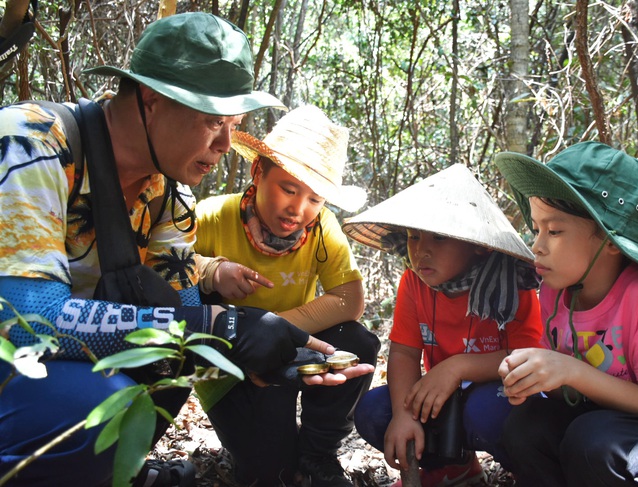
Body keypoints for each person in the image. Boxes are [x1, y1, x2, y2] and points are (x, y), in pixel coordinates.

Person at [0, 13, 372, 487]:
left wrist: (256, 356)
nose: (223, 145)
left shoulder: (170, 198)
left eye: (233, 126)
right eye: (213, 123)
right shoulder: (33, 142)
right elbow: (24, 320)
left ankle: (113, 469)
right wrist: (216, 326)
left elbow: (183, 327)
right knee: (91, 404)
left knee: (169, 361)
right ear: (152, 101)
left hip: (64, 365)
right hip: (20, 361)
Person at [495, 141, 638, 486]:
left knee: (594, 441)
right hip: (613, 426)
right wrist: (536, 376)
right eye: (537, 228)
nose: (538, 246)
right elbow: (571, 390)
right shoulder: (554, 292)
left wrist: (570, 370)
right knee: (526, 426)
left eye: (555, 231)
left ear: (608, 241)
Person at [193, 105, 381, 487]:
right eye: (288, 189)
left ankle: (318, 452)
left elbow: (349, 299)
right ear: (257, 172)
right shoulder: (212, 216)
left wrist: (274, 330)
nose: (299, 209)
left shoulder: (321, 229)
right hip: (230, 364)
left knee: (356, 342)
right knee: (270, 475)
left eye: (315, 199)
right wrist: (211, 272)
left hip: (290, 352)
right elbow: (162, 267)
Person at [341, 164, 543, 487]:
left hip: (499, 393)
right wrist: (403, 415)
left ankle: (526, 470)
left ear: (477, 243)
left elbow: (528, 355)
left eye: (439, 237)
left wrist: (458, 367)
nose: (421, 250)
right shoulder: (414, 282)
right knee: (375, 411)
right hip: (442, 397)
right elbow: (405, 354)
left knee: (486, 413)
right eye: (414, 236)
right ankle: (451, 469)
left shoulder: (510, 284)